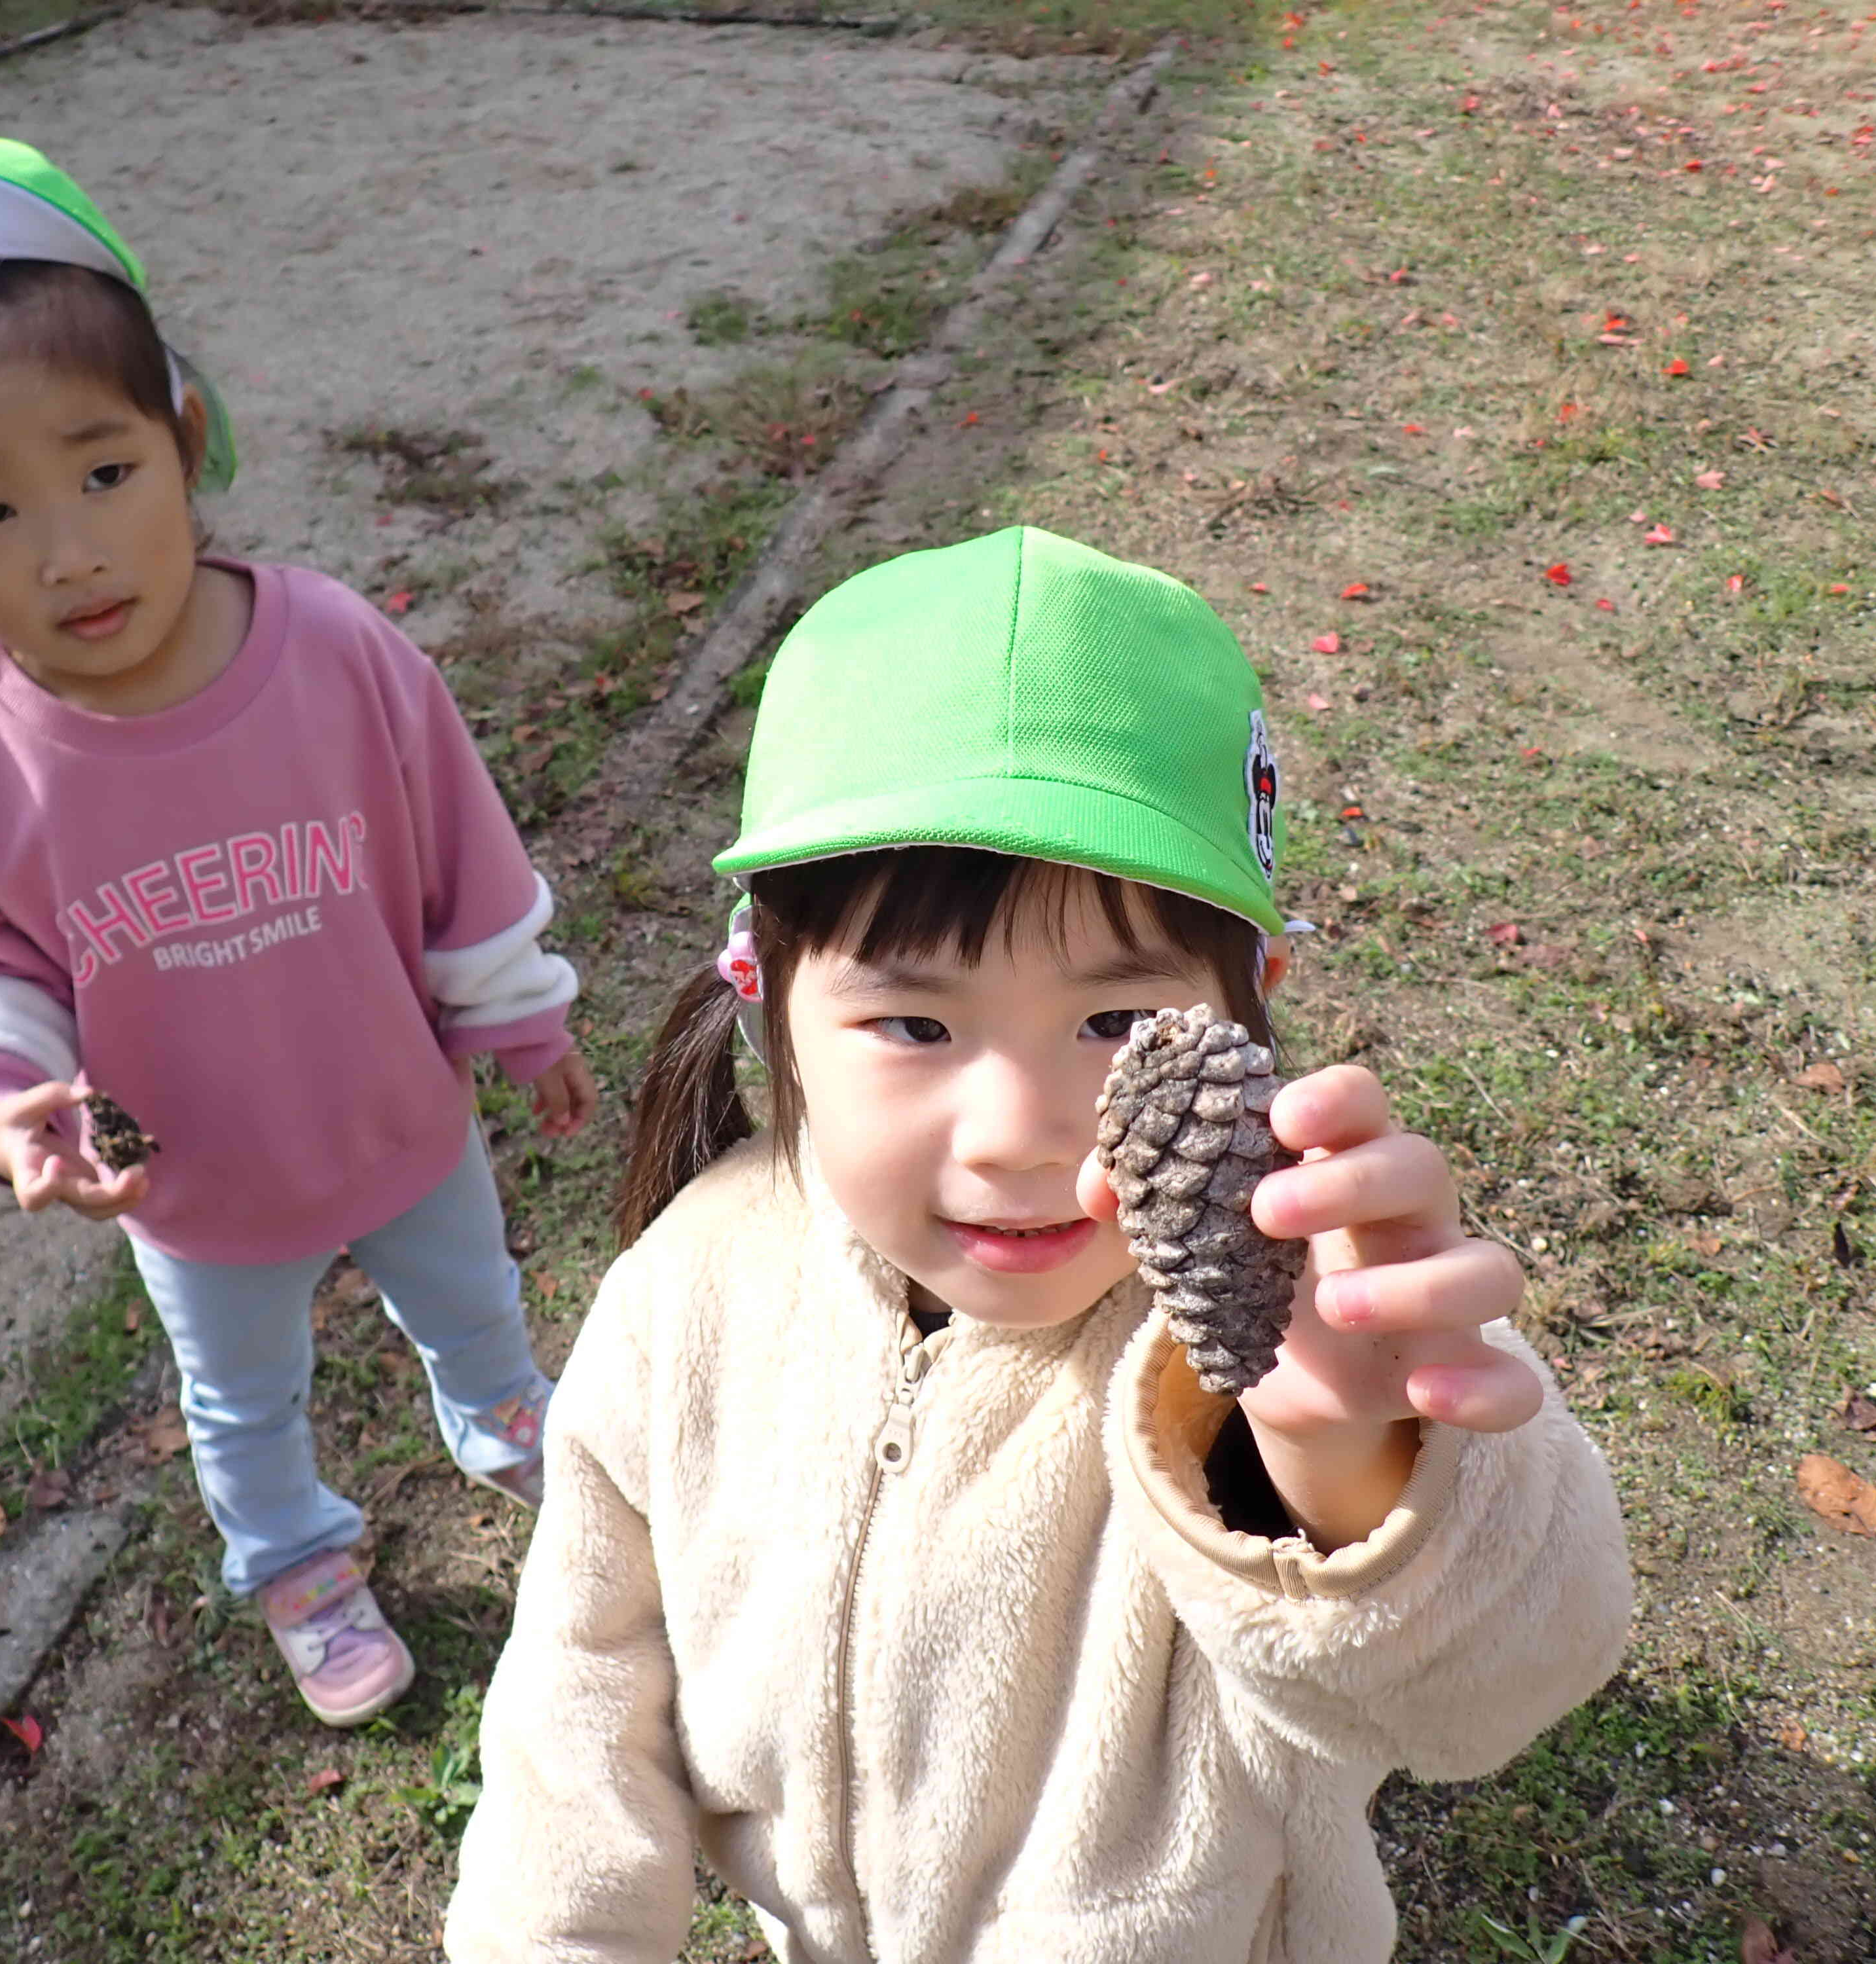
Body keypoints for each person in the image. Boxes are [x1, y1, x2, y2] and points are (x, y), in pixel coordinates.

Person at [445, 528, 1629, 1961]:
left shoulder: (1290, 1328)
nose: (1016, 1131)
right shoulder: (682, 1294)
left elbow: (1491, 1693)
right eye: (912, 1024)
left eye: (1117, 1023)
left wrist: (1342, 1462)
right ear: (769, 1005)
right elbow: (575, 1687)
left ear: (1243, 1010)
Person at [0, 139, 597, 1728]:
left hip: (396, 1113)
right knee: (242, 1394)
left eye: (106, 472)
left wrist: (517, 1014)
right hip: (191, 1178)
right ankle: (294, 1558)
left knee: (472, 1295)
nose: (66, 548)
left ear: (184, 438)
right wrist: (6, 1114)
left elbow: (456, 848)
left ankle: (502, 1419)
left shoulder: (338, 653)